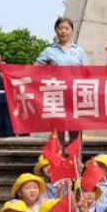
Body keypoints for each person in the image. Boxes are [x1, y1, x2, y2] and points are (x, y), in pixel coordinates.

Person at [35, 17, 87, 147]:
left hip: (74, 96)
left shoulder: (79, 51)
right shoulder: (49, 51)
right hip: (56, 96)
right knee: (58, 134)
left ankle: (75, 164)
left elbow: (85, 73)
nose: (63, 31)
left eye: (66, 28)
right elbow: (34, 69)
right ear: (56, 31)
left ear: (71, 31)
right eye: (60, 28)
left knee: (76, 134)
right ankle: (58, 165)